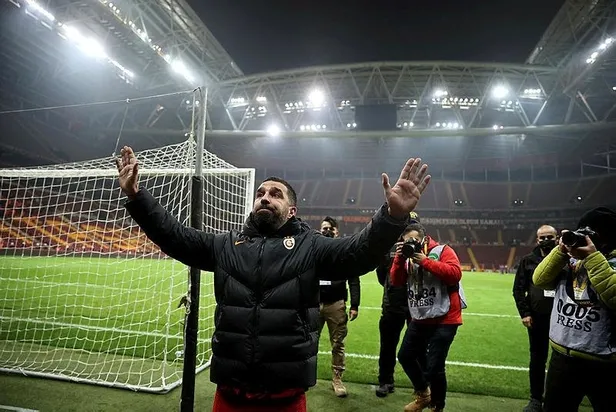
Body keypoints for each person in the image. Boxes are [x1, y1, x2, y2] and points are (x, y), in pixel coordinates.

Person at [116, 146, 431, 412]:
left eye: (275, 194)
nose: (265, 197)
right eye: (260, 193)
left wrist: (392, 218)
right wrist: (136, 196)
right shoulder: (226, 245)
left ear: (292, 210)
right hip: (230, 391)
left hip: (285, 395)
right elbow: (174, 236)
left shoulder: (311, 246)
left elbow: (358, 253)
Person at [532, 207, 616, 412]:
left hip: (604, 361)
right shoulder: (568, 258)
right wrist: (560, 251)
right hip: (562, 356)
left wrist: (593, 257)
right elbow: (540, 280)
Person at [390, 223, 465, 412]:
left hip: (445, 317)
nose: (411, 243)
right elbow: (396, 281)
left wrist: (425, 261)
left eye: (414, 240)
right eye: (406, 241)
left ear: (424, 238)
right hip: (421, 316)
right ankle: (424, 394)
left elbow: (455, 274)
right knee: (405, 356)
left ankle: (437, 406)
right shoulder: (406, 257)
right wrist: (399, 258)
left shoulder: (442, 250)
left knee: (434, 366)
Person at [512, 224, 560, 412]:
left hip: (562, 319)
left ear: (557, 238)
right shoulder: (528, 261)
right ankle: (535, 399)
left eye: (550, 237)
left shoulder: (566, 259)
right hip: (537, 318)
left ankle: (555, 400)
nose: (546, 241)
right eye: (543, 238)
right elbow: (518, 289)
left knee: (561, 362)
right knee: (538, 359)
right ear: (537, 240)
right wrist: (525, 313)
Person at [374, 212, 420, 398]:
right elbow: (381, 274)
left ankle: (420, 385)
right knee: (388, 345)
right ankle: (386, 381)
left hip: (417, 305)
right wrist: (392, 288)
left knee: (418, 346)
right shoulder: (390, 247)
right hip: (393, 304)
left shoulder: (423, 247)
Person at [317, 216, 360, 397]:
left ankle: (337, 379)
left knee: (337, 343)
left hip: (336, 303)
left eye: (330, 228)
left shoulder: (344, 252)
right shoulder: (313, 250)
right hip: (313, 303)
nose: (327, 231)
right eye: (324, 228)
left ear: (337, 232)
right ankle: (305, 375)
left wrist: (355, 304)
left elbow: (354, 279)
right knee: (308, 341)